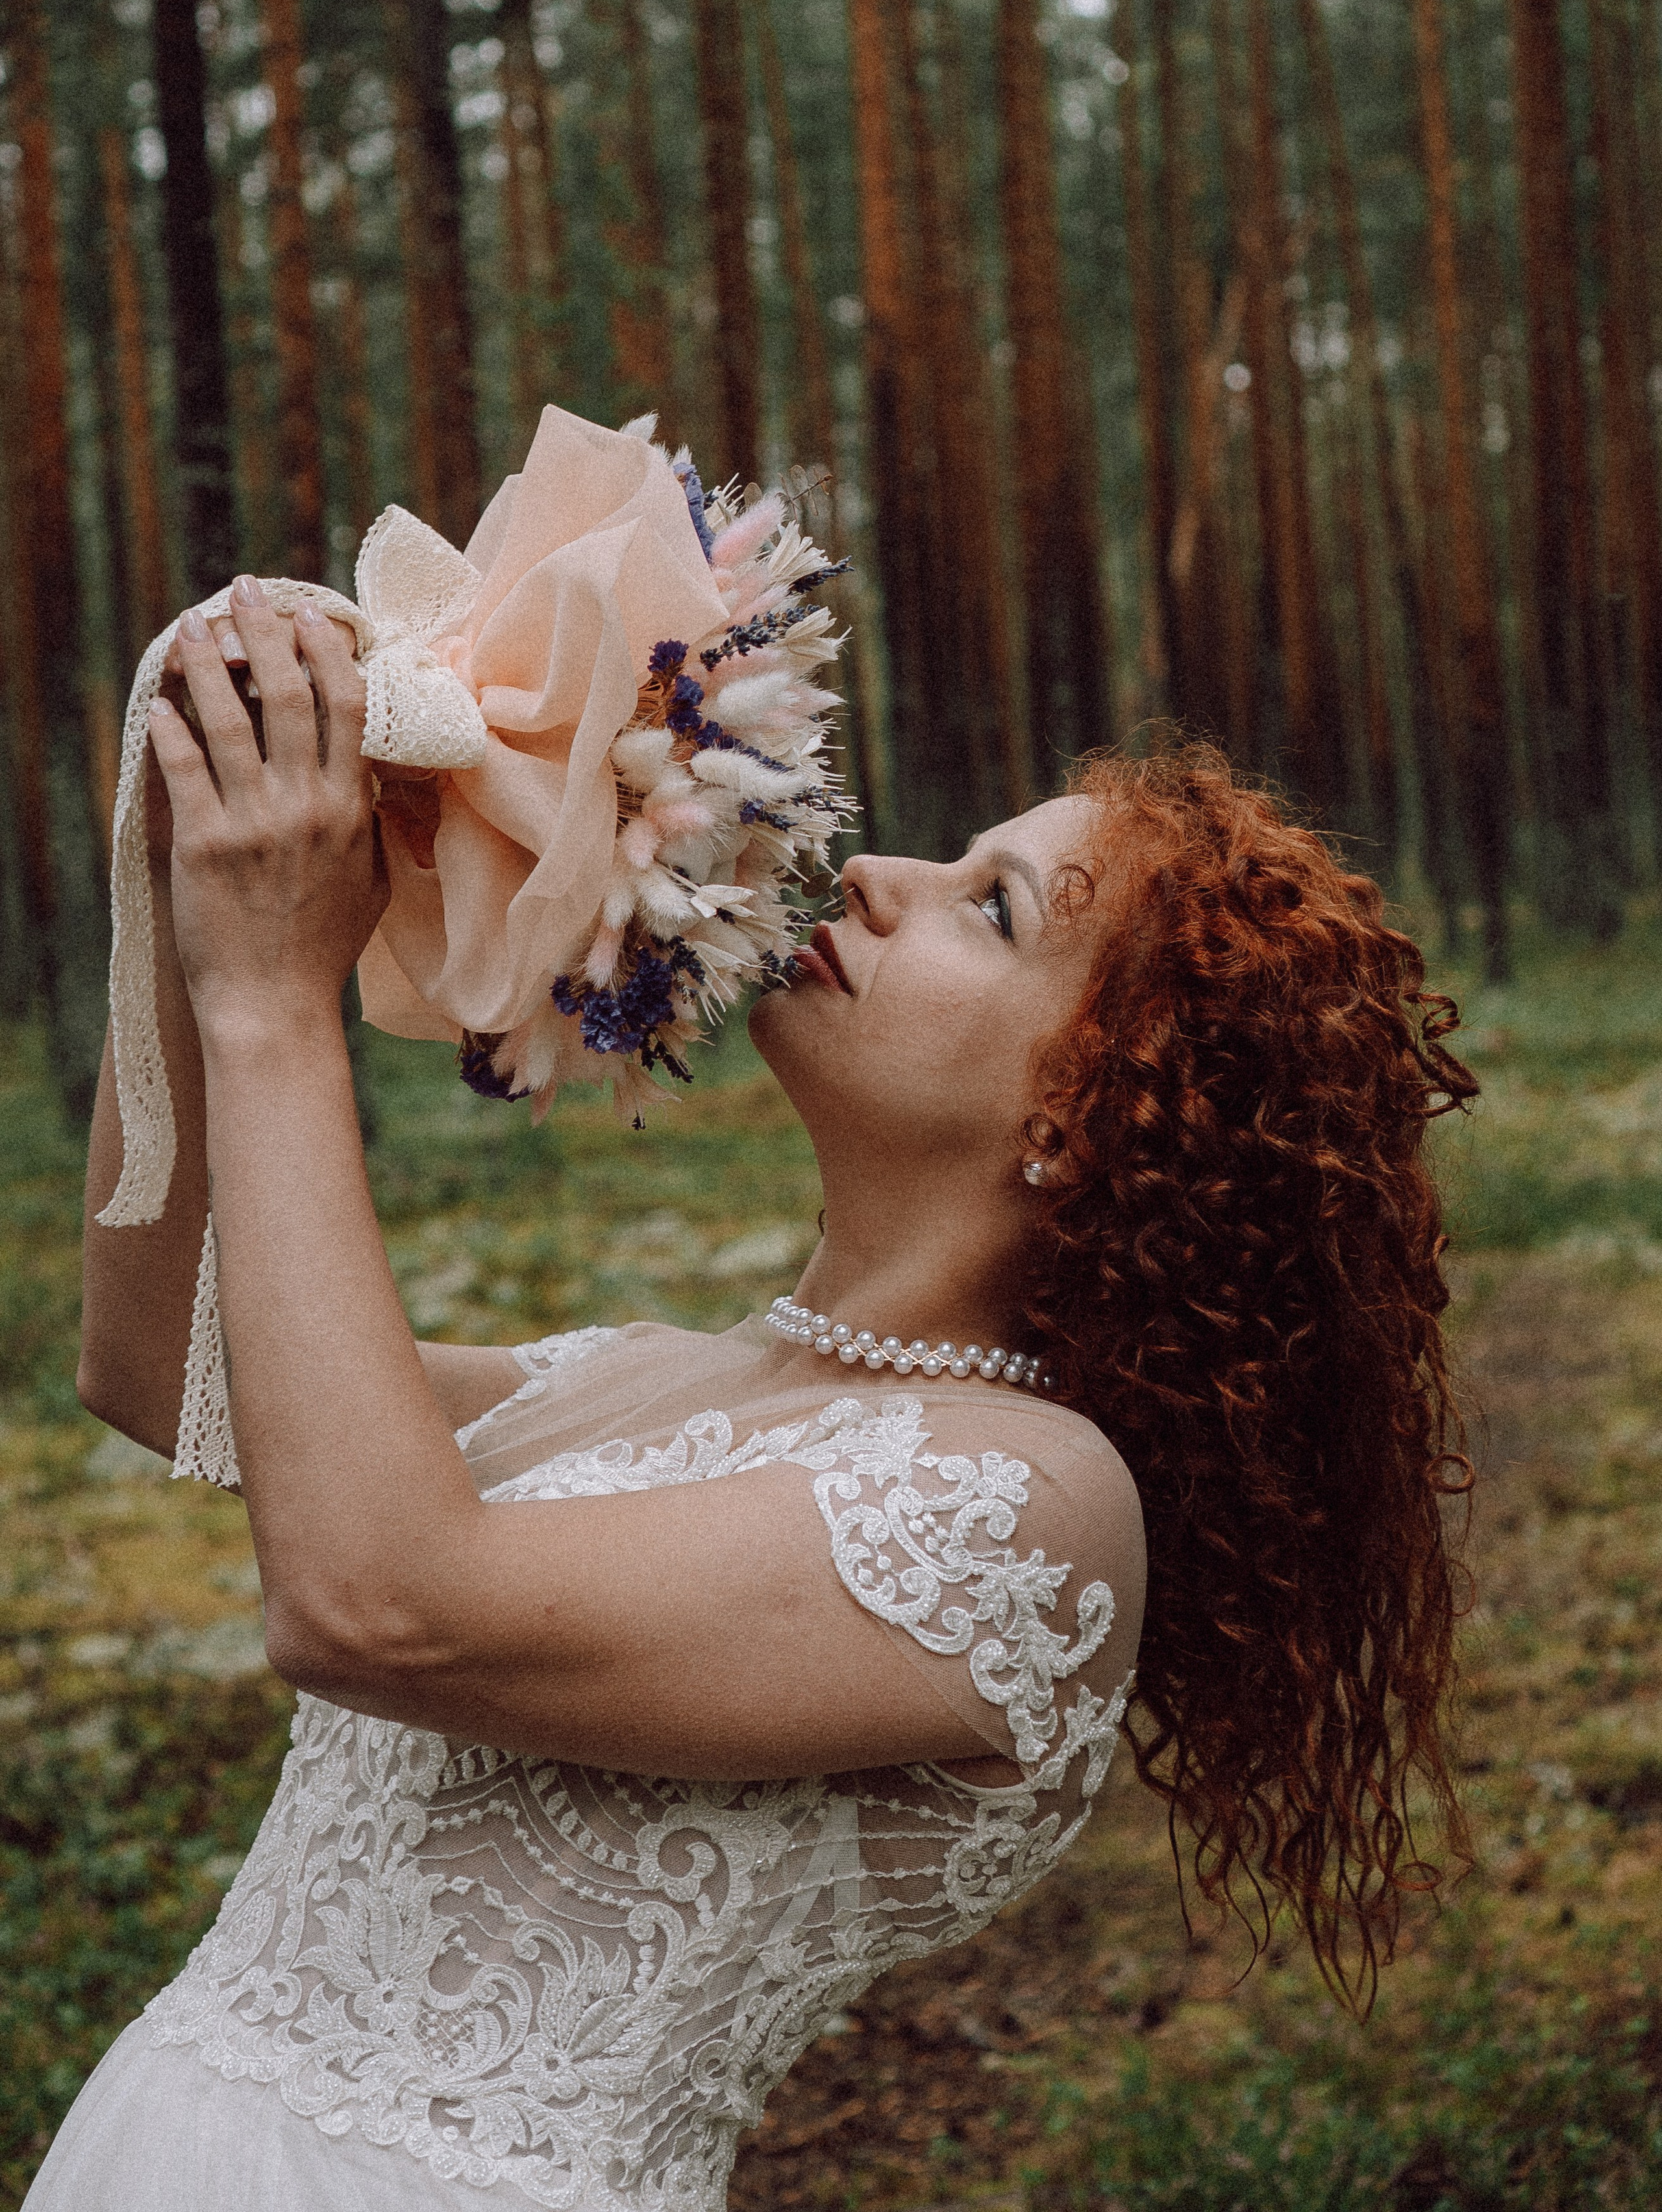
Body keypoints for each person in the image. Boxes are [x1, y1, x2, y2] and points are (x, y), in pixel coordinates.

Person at [27, 580, 1474, 2210]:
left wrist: (275, 1000)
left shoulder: (1029, 1509)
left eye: (985, 907)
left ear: (1084, 1115)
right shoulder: (651, 1375)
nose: (874, 874)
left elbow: (377, 1605)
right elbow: (164, 1366)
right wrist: (202, 866)